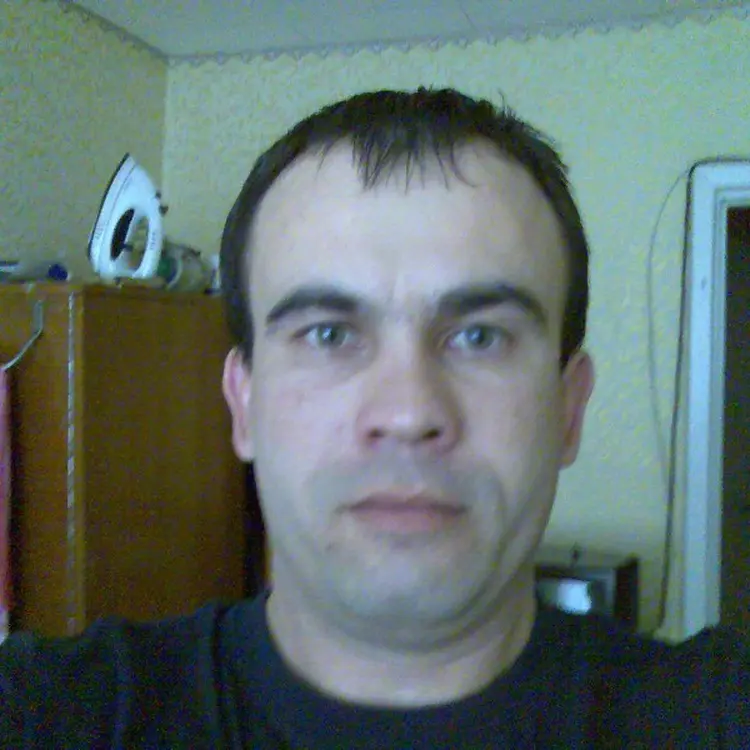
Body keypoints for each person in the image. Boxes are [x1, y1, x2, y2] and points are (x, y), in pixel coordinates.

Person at [0, 87, 747, 748]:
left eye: (479, 336)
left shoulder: (712, 713)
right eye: (328, 334)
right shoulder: (50, 712)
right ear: (243, 405)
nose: (408, 412)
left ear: (568, 409)